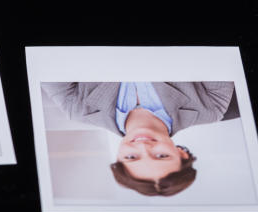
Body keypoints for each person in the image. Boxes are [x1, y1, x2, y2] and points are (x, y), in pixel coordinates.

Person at [41, 81, 238, 196]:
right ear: (181, 154)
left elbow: (48, 59)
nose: (144, 147)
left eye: (131, 158)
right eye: (161, 156)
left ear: (118, 158)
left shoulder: (77, 109)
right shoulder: (211, 107)